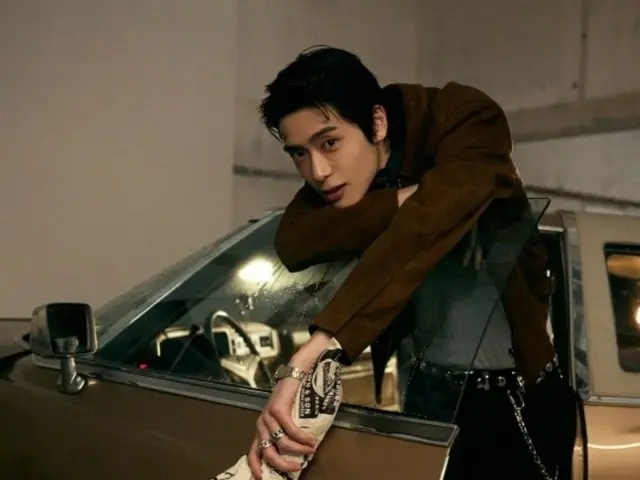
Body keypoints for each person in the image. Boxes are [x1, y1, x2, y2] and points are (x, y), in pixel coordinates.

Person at [246, 45, 577, 479]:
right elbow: (294, 241)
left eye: (329, 143)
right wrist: (401, 200)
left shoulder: (465, 117)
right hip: (424, 389)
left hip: (514, 397)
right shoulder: (353, 172)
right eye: (299, 153)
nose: (319, 171)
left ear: (377, 123)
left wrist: (316, 352)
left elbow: (422, 229)